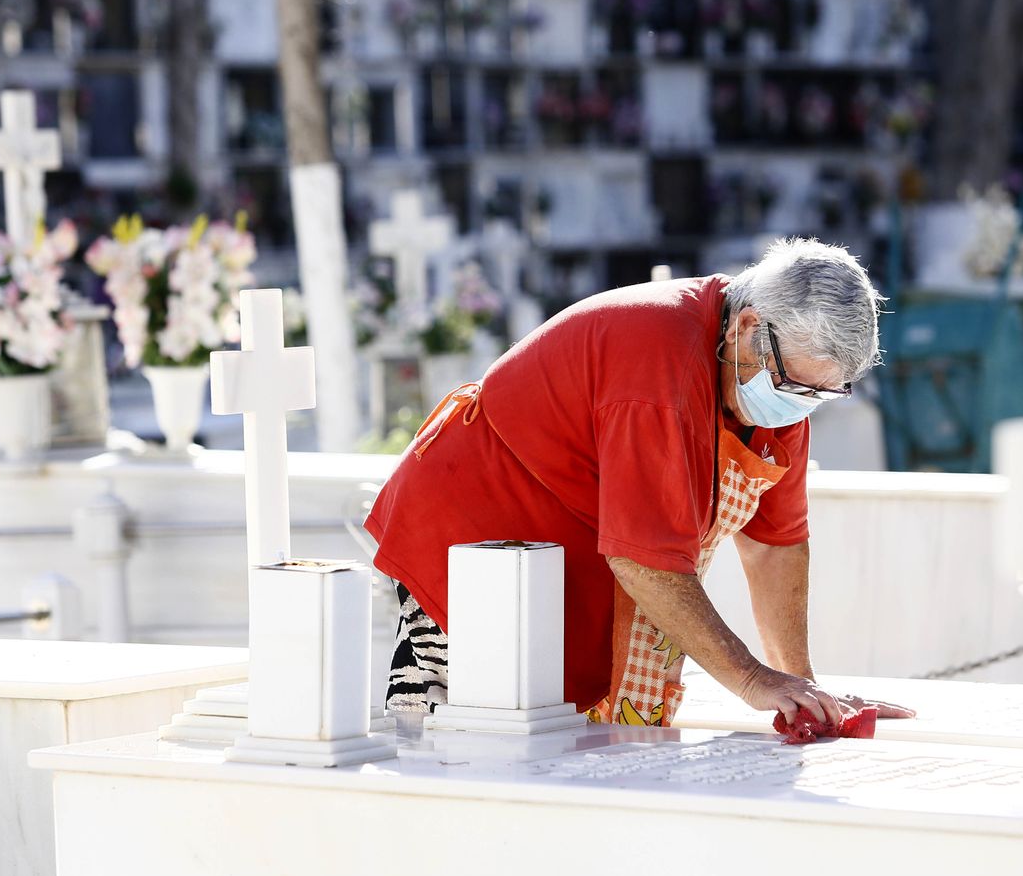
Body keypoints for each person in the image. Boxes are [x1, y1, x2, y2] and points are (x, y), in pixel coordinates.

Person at [365, 238, 914, 729]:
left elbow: (776, 545)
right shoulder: (657, 360)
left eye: (822, 394)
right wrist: (751, 679)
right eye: (793, 384)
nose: (799, 405)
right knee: (467, 746)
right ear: (746, 328)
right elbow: (644, 560)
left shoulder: (778, 390)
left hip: (576, 569)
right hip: (474, 541)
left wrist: (803, 691)